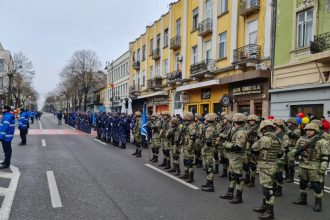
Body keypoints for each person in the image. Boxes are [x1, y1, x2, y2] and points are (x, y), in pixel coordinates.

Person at [292, 123, 330, 212]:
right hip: (302, 165)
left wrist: (323, 167)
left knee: (316, 185)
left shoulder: (322, 141)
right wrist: (295, 154)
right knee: (302, 183)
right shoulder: (301, 139)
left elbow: (326, 156)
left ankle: (318, 203)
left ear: (316, 131)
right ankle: (303, 199)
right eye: (307, 130)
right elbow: (295, 149)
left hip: (315, 166)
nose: (308, 132)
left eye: (311, 130)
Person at [251, 120, 283, 220]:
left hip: (265, 166)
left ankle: (270, 212)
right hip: (273, 164)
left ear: (264, 129)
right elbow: (280, 153)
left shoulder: (264, 139)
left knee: (267, 189)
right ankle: (264, 207)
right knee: (269, 187)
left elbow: (253, 149)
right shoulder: (277, 139)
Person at [220, 113, 247, 204]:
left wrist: (226, 144)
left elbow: (238, 146)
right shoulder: (235, 130)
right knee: (232, 176)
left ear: (235, 121)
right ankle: (230, 193)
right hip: (232, 157)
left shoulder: (241, 132)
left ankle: (239, 197)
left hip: (237, 157)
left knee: (238, 177)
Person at [201, 113, 217, 192]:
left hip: (209, 150)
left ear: (208, 120)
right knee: (208, 167)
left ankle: (211, 186)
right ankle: (208, 182)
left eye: (205, 119)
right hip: (209, 149)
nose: (204, 121)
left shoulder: (209, 129)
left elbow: (208, 141)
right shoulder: (210, 127)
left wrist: (204, 149)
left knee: (209, 167)